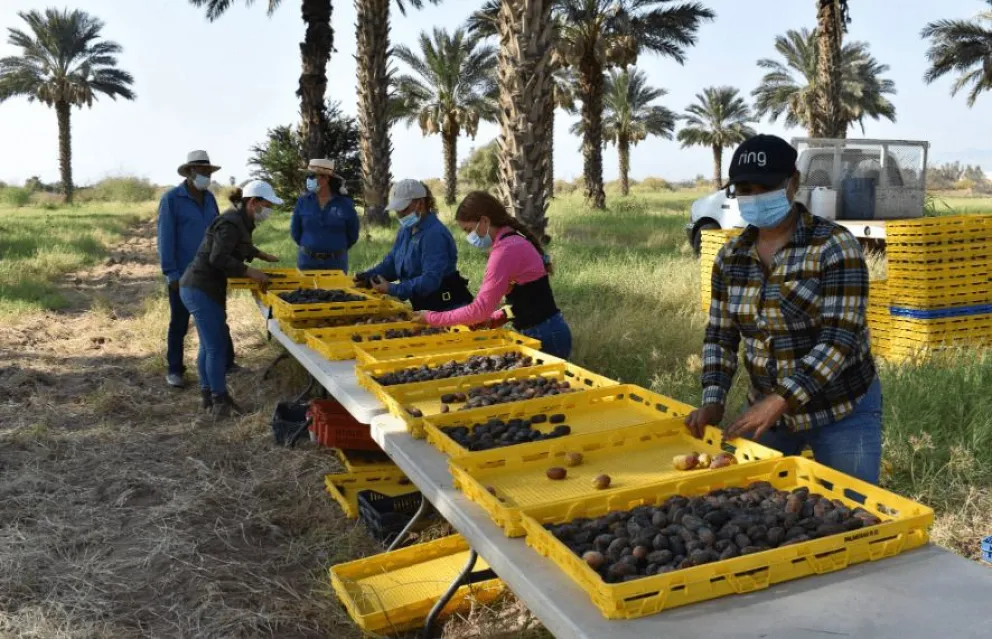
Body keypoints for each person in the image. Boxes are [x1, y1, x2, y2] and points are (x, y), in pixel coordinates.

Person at [684, 134, 882, 484]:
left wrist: (780, 399)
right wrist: (713, 398)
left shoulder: (834, 247)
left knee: (851, 506)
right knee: (752, 496)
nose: (755, 196)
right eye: (745, 188)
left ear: (793, 183)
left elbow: (839, 339)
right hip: (768, 409)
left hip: (840, 409)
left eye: (766, 187)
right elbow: (720, 336)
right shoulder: (730, 258)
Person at [411, 191, 572, 359]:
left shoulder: (505, 251)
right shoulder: (512, 240)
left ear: (485, 221)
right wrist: (498, 317)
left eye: (469, 230)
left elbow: (479, 310)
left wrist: (431, 317)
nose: (469, 237)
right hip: (548, 331)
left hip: (545, 336)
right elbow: (530, 297)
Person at [179, 180, 281, 421]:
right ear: (253, 202)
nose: (269, 211)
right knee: (215, 347)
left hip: (199, 287)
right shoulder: (231, 222)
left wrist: (259, 254)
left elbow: (239, 244)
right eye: (267, 205)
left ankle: (208, 396)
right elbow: (218, 257)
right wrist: (251, 271)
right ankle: (220, 401)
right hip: (201, 287)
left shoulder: (240, 220)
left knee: (207, 345)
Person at [156, 150, 237, 389]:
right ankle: (175, 369)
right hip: (183, 274)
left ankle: (227, 362)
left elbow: (219, 233)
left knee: (217, 319)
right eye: (201, 172)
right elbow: (165, 238)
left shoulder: (210, 199)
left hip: (211, 272)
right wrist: (171, 273)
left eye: (208, 172)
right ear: (190, 172)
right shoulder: (172, 199)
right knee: (179, 323)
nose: (205, 176)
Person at [354, 179, 473, 311]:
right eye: (397, 210)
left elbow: (430, 281)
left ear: (420, 204)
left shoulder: (434, 235)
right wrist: (368, 276)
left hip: (447, 307)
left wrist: (393, 289)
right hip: (424, 306)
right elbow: (392, 263)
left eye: (403, 209)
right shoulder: (406, 230)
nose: (399, 215)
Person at [291, 158, 360, 272]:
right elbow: (295, 232)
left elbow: (352, 235)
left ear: (326, 178)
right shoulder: (302, 202)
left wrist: (333, 249)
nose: (309, 180)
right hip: (307, 263)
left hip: (336, 264)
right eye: (308, 176)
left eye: (313, 176)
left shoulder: (345, 204)